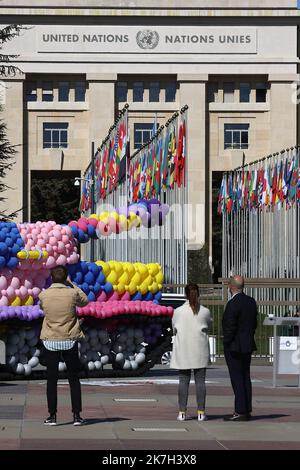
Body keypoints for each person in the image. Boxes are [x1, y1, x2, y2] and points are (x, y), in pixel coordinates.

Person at [39, 265, 88, 426]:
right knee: (74, 379)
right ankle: (76, 416)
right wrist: (72, 284)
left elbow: (42, 308)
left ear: (52, 278)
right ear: (65, 277)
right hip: (69, 339)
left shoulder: (44, 295)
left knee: (51, 380)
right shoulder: (72, 293)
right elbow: (85, 301)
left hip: (51, 340)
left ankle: (52, 416)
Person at [170, 283, 212, 422]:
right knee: (200, 382)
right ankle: (201, 412)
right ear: (198, 294)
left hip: (184, 350)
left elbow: (174, 328)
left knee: (183, 381)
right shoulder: (205, 311)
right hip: (200, 350)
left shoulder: (178, 311)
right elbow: (208, 325)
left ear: (185, 295)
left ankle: (182, 412)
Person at [222, 275, 258, 422]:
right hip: (247, 344)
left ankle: (240, 410)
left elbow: (230, 326)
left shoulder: (232, 304)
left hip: (234, 346)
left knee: (236, 378)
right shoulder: (251, 302)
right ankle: (246, 408)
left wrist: (226, 342)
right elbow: (254, 323)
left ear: (231, 287)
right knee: (245, 377)